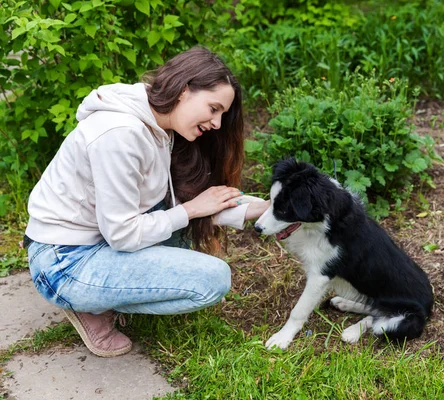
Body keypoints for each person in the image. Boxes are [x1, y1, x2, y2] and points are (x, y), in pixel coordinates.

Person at [23, 47, 269, 358]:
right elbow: (128, 232)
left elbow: (179, 202)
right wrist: (191, 210)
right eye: (213, 108)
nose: (217, 123)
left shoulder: (158, 125)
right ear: (183, 91)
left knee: (178, 237)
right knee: (212, 280)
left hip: (98, 239)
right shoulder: (120, 135)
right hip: (65, 261)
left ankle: (99, 294)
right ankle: (89, 303)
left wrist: (260, 209)